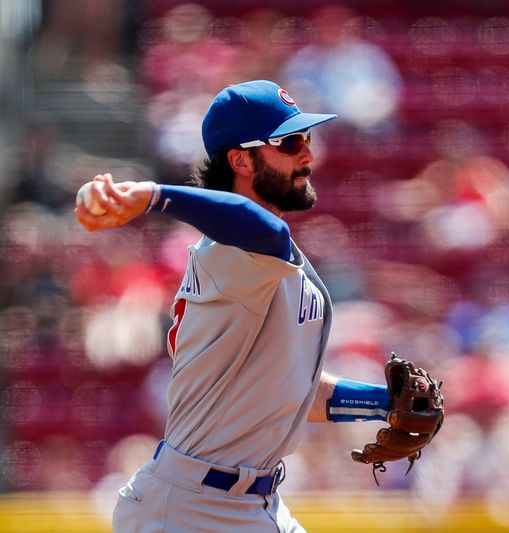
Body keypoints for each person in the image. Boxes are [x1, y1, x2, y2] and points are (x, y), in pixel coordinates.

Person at [75, 80, 401, 533]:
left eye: (307, 138)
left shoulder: (266, 261)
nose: (306, 153)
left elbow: (289, 390)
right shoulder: (235, 253)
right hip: (192, 510)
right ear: (241, 160)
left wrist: (386, 403)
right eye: (289, 142)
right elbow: (259, 227)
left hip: (251, 504)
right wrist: (153, 196)